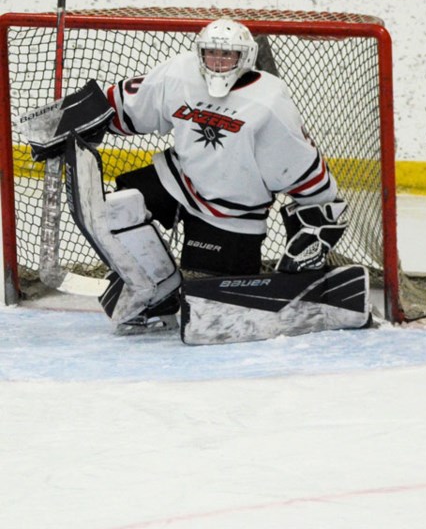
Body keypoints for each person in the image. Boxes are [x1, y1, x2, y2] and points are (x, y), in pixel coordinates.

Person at [29, 18, 349, 334]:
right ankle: (159, 288)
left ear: (246, 57)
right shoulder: (180, 73)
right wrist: (67, 120)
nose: (218, 62)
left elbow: (299, 166)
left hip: (232, 210)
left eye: (228, 55)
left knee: (206, 303)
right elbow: (129, 106)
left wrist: (321, 216)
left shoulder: (269, 102)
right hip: (182, 179)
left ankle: (200, 288)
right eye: (212, 53)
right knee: (117, 208)